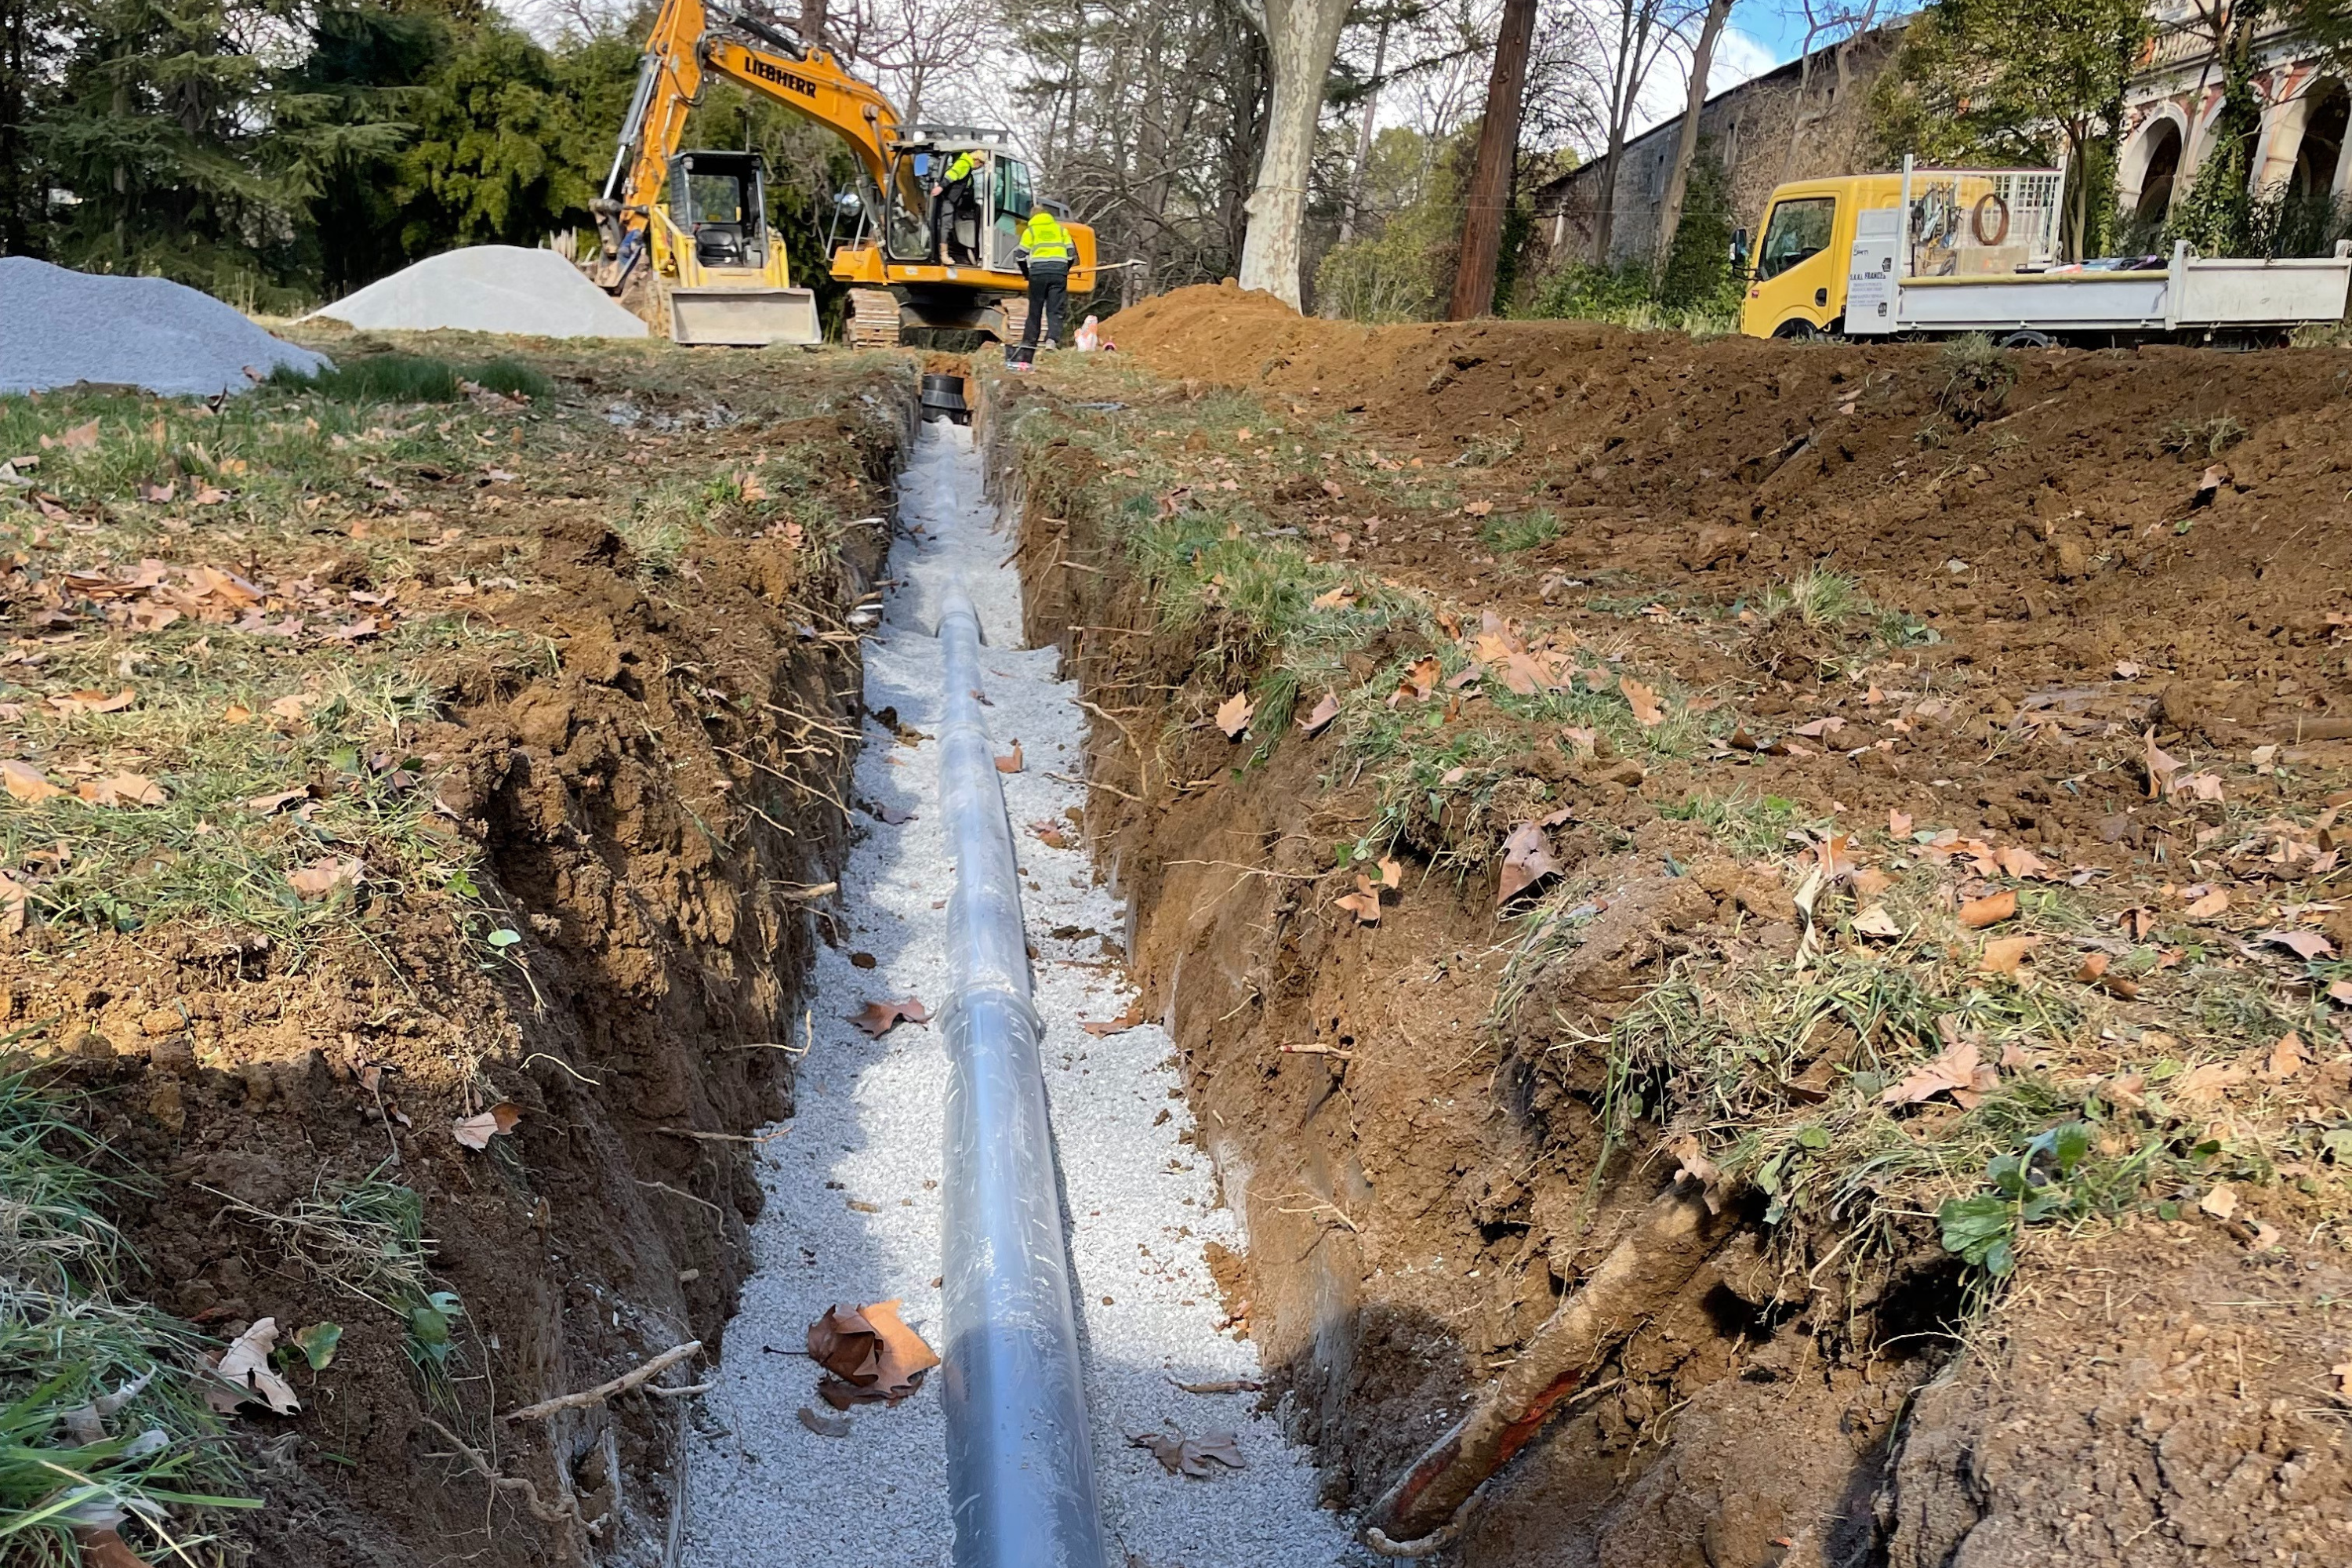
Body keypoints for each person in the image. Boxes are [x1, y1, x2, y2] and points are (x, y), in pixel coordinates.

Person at [1014, 202, 1074, 350]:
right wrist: (1065, 269)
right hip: (1058, 274)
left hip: (1038, 274)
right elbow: (1071, 254)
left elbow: (1020, 256)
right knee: (1055, 310)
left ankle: (1029, 342)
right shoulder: (1061, 230)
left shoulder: (1031, 231)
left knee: (1035, 308)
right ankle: (1051, 341)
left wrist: (1027, 274)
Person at [929, 150, 977, 265]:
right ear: (977, 161)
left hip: (953, 201)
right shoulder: (964, 163)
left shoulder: (965, 165)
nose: (979, 167)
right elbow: (952, 175)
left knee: (950, 225)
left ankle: (951, 252)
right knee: (946, 225)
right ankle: (943, 255)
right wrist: (941, 187)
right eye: (981, 165)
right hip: (949, 200)